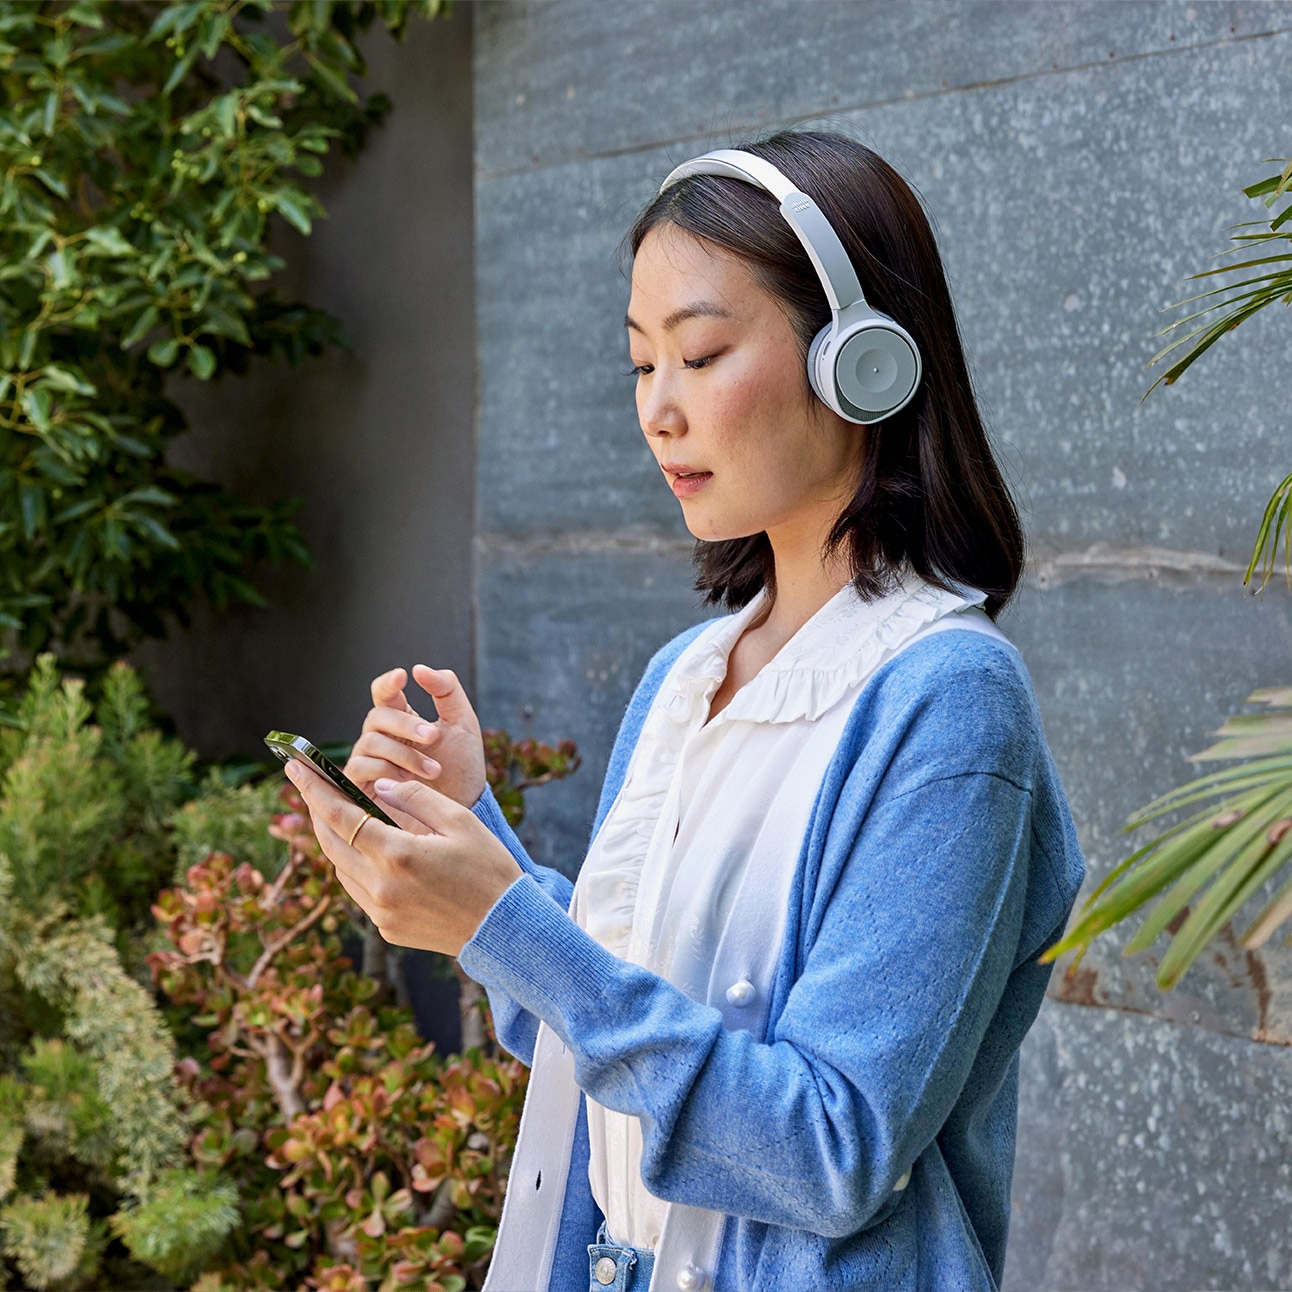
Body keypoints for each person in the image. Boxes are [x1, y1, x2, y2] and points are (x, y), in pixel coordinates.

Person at [284, 128, 1086, 1292]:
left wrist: (499, 919)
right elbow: (609, 1034)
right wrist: (471, 836)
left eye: (700, 353)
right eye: (638, 364)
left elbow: (829, 1150)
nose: (657, 410)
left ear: (859, 362)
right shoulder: (688, 674)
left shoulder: (947, 702)